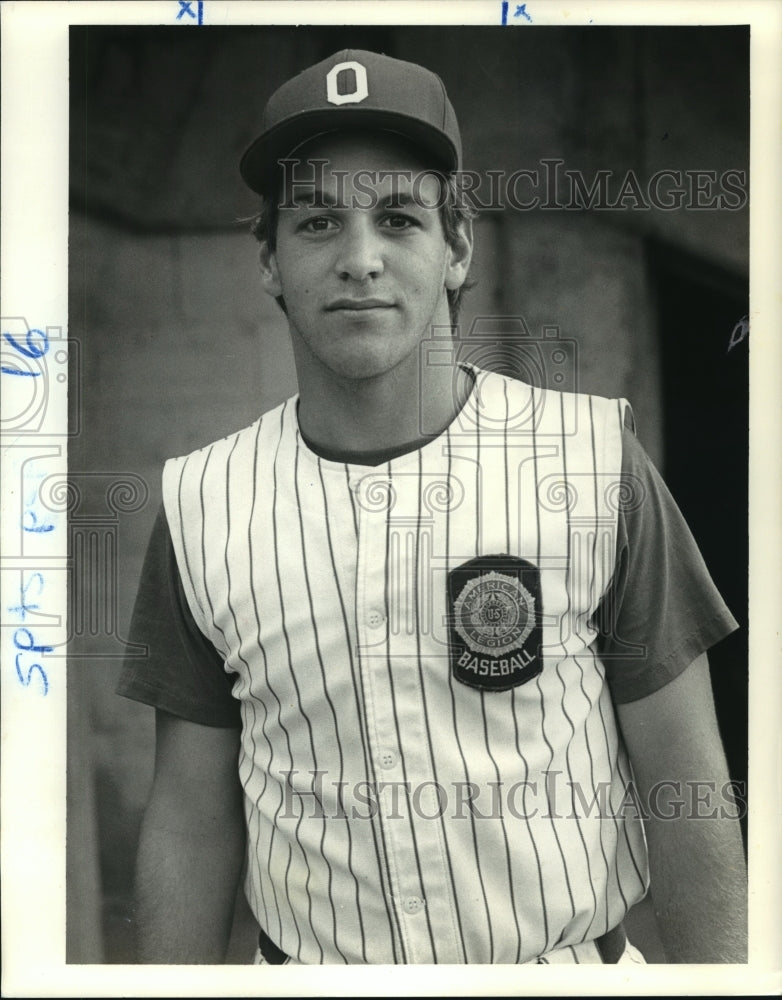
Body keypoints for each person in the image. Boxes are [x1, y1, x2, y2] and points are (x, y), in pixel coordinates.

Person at [118, 48, 747, 965]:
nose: (360, 259)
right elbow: (188, 820)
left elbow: (687, 786)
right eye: (319, 220)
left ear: (457, 249)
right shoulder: (205, 501)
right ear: (268, 259)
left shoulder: (592, 460)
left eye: (399, 218)